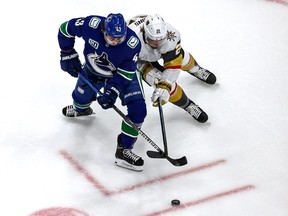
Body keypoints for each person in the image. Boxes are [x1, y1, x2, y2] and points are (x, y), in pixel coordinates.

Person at [58, 13, 147, 171]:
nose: (115, 41)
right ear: (103, 30)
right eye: (111, 37)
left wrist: (111, 91)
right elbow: (65, 29)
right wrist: (67, 53)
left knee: (138, 110)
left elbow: (125, 74)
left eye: (119, 38)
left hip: (121, 75)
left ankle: (124, 150)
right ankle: (81, 109)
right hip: (93, 70)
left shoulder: (132, 44)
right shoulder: (91, 25)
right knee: (80, 99)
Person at [128, 14, 217, 123]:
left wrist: (166, 85)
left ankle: (196, 69)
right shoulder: (131, 42)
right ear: (144, 33)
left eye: (160, 40)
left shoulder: (172, 34)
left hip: (150, 48)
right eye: (153, 40)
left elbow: (173, 66)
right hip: (138, 58)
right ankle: (187, 105)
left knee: (182, 59)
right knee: (157, 80)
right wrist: (163, 86)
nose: (157, 44)